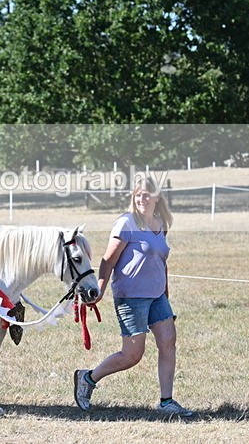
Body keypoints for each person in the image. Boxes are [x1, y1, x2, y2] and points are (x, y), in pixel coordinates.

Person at [73, 177, 193, 417]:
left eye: (147, 194)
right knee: (132, 355)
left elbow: (161, 263)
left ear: (157, 197)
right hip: (131, 297)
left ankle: (166, 401)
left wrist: (166, 296)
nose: (142, 199)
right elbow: (108, 260)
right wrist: (100, 289)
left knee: (168, 342)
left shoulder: (160, 223)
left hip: (158, 296)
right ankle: (87, 378)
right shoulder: (126, 223)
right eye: (138, 194)